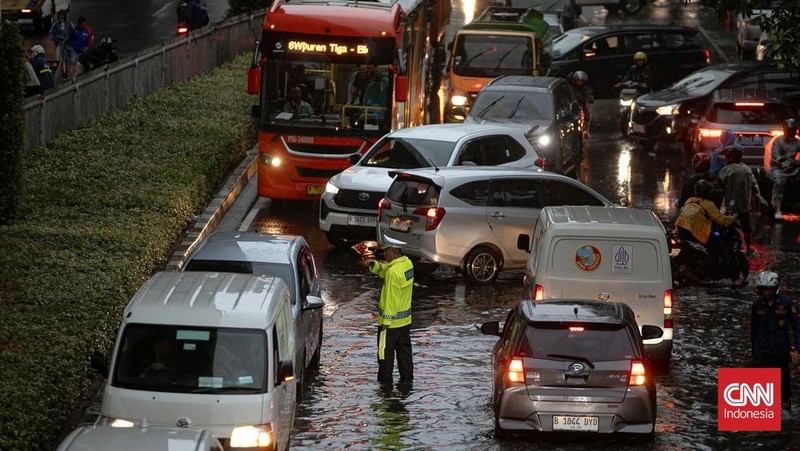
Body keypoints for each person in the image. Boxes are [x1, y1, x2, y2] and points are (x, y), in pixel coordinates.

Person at [674, 179, 744, 287]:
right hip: (697, 232)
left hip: (681, 230)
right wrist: (734, 217)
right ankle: (736, 279)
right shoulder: (708, 204)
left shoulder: (690, 200)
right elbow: (720, 219)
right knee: (724, 250)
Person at [750, 271, 800, 412]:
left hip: (781, 350)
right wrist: (754, 352)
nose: (766, 292)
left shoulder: (786, 303)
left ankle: (785, 405)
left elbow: (797, 327)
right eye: (764, 289)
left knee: (784, 382)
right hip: (762, 350)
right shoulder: (757, 305)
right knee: (760, 384)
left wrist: (797, 349)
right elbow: (754, 330)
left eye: (769, 289)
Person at [366, 240, 414, 385]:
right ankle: (407, 383)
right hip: (404, 322)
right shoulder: (407, 264)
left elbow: (390, 299)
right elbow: (386, 271)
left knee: (384, 356)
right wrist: (375, 266)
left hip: (390, 324)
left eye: (386, 251)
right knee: (404, 354)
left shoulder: (393, 272)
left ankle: (385, 388)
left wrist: (385, 322)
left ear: (392, 252)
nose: (384, 254)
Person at [718, 145, 767, 257]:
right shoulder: (747, 169)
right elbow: (755, 187)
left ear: (730, 158)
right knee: (746, 227)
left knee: (725, 225)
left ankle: (725, 247)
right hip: (744, 205)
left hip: (728, 206)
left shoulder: (726, 170)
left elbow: (719, 186)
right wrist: (760, 199)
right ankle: (748, 248)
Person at [770, 118, 800, 220]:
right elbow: (776, 156)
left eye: (794, 130)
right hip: (779, 169)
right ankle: (777, 208)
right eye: (790, 130)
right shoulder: (778, 141)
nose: (793, 132)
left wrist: (795, 162)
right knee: (778, 182)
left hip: (794, 168)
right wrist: (785, 162)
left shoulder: (797, 142)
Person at [49, 9, 75, 79]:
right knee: (59, 60)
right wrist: (57, 38)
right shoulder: (56, 24)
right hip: (59, 45)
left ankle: (68, 74)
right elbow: (51, 34)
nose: (61, 17)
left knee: (68, 59)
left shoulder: (69, 23)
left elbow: (73, 32)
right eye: (60, 15)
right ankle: (62, 74)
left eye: (63, 15)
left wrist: (68, 39)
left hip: (67, 45)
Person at [569, 71, 593, 137]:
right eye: (578, 81)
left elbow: (589, 99)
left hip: (583, 105)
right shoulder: (571, 89)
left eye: (581, 81)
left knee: (587, 116)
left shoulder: (586, 89)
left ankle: (587, 131)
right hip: (574, 106)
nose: (579, 82)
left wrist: (588, 107)